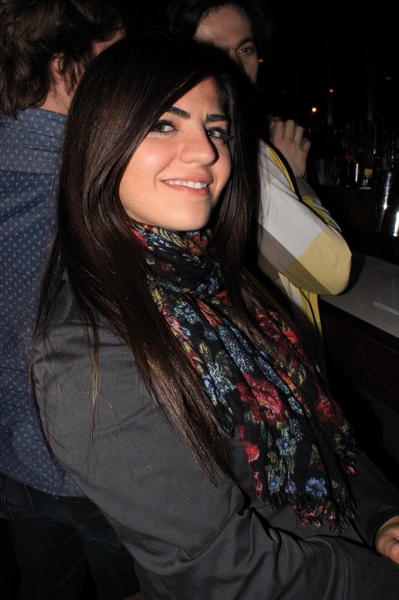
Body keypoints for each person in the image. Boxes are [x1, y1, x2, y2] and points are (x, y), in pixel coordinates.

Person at [32, 30, 399, 599]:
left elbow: (320, 427)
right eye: (164, 124)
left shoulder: (213, 276)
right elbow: (226, 573)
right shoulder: (87, 354)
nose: (206, 151)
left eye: (217, 130)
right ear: (101, 141)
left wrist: (381, 517)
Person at [0, 1, 140, 597]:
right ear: (63, 66)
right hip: (106, 467)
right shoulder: (110, 174)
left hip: (15, 460)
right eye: (113, 59)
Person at [164, 0, 352, 361]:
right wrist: (297, 178)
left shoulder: (201, 145)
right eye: (213, 51)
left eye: (245, 49)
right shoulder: (247, 154)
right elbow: (334, 269)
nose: (235, 65)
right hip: (272, 360)